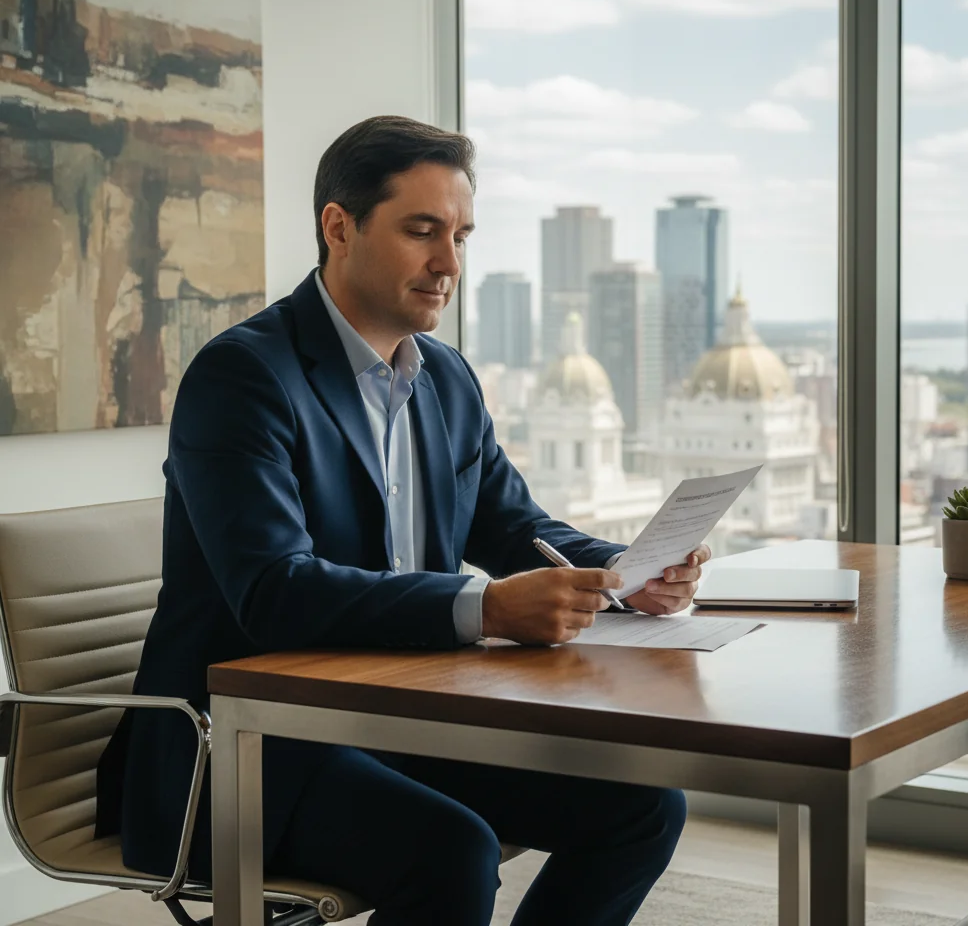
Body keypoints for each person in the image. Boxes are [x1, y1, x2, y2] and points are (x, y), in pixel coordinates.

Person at [96, 115, 711, 926]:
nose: (449, 263)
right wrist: (484, 608)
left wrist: (630, 568)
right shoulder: (243, 377)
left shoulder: (446, 378)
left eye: (459, 234)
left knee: (643, 807)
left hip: (404, 719)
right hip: (248, 749)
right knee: (453, 849)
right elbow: (273, 592)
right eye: (423, 231)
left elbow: (513, 525)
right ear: (339, 227)